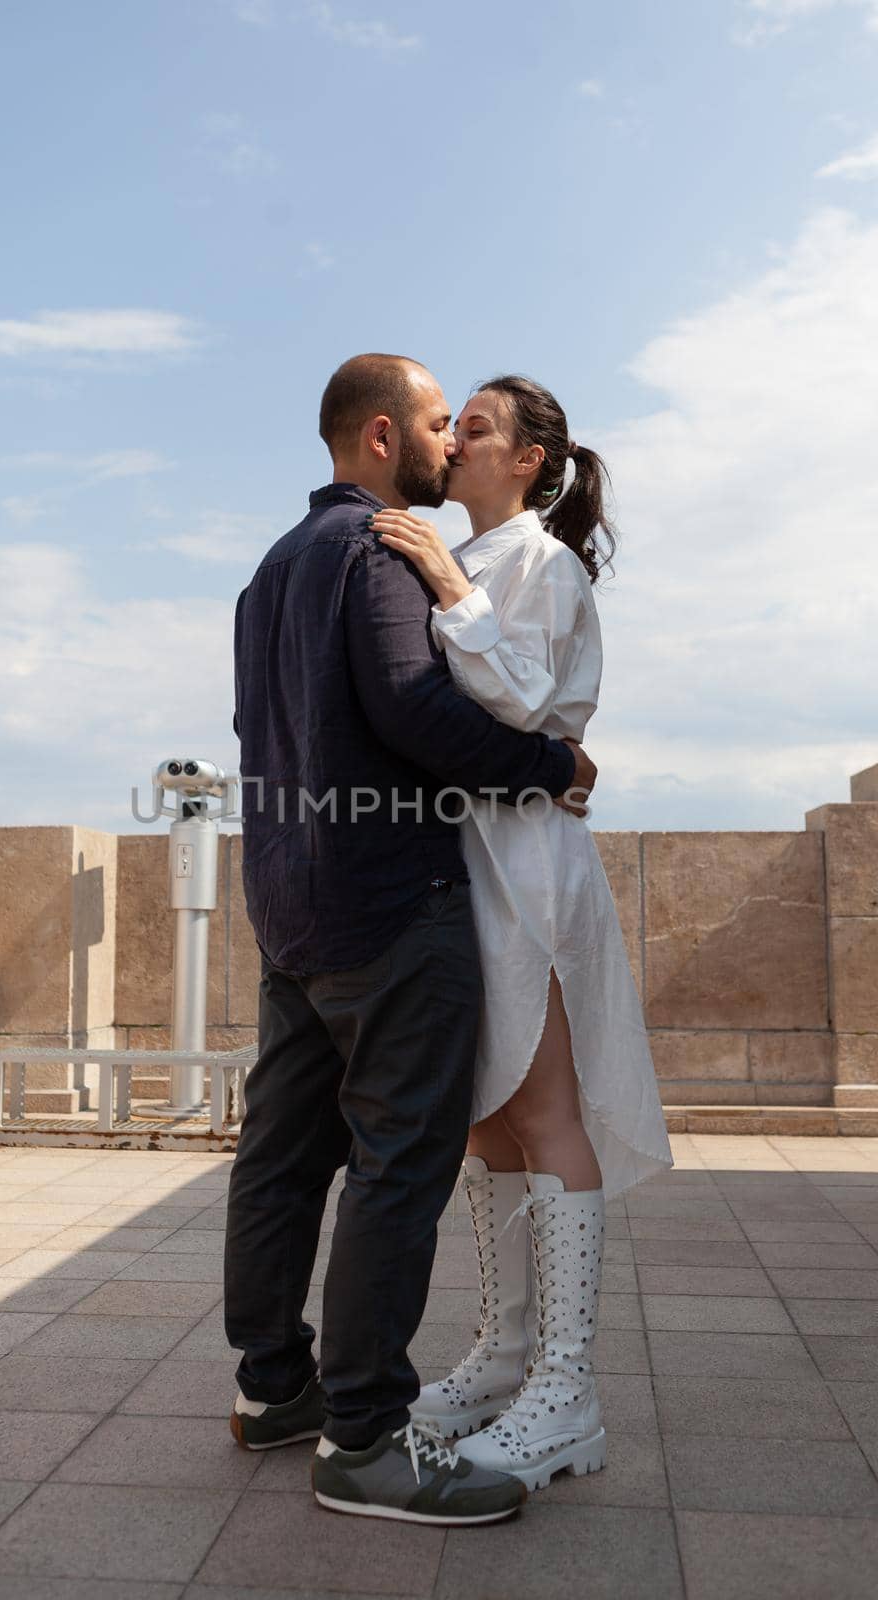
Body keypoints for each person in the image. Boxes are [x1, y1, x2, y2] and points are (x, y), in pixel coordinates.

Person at [224, 353, 597, 1525]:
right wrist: (549, 766)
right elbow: (412, 708)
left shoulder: (268, 569)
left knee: (283, 1154)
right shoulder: (374, 545)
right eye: (440, 422)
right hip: (389, 901)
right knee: (398, 1164)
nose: (448, 441)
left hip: (288, 905)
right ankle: (366, 1439)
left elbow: (263, 731)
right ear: (382, 437)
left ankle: (273, 1387)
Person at [368, 374, 673, 1492]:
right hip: (462, 868)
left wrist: (446, 580)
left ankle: (565, 1389)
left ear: (531, 461)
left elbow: (529, 704)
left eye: (477, 429)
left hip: (527, 867)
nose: (453, 444)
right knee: (486, 1125)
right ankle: (500, 1357)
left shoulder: (535, 563)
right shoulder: (470, 555)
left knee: (543, 1113)